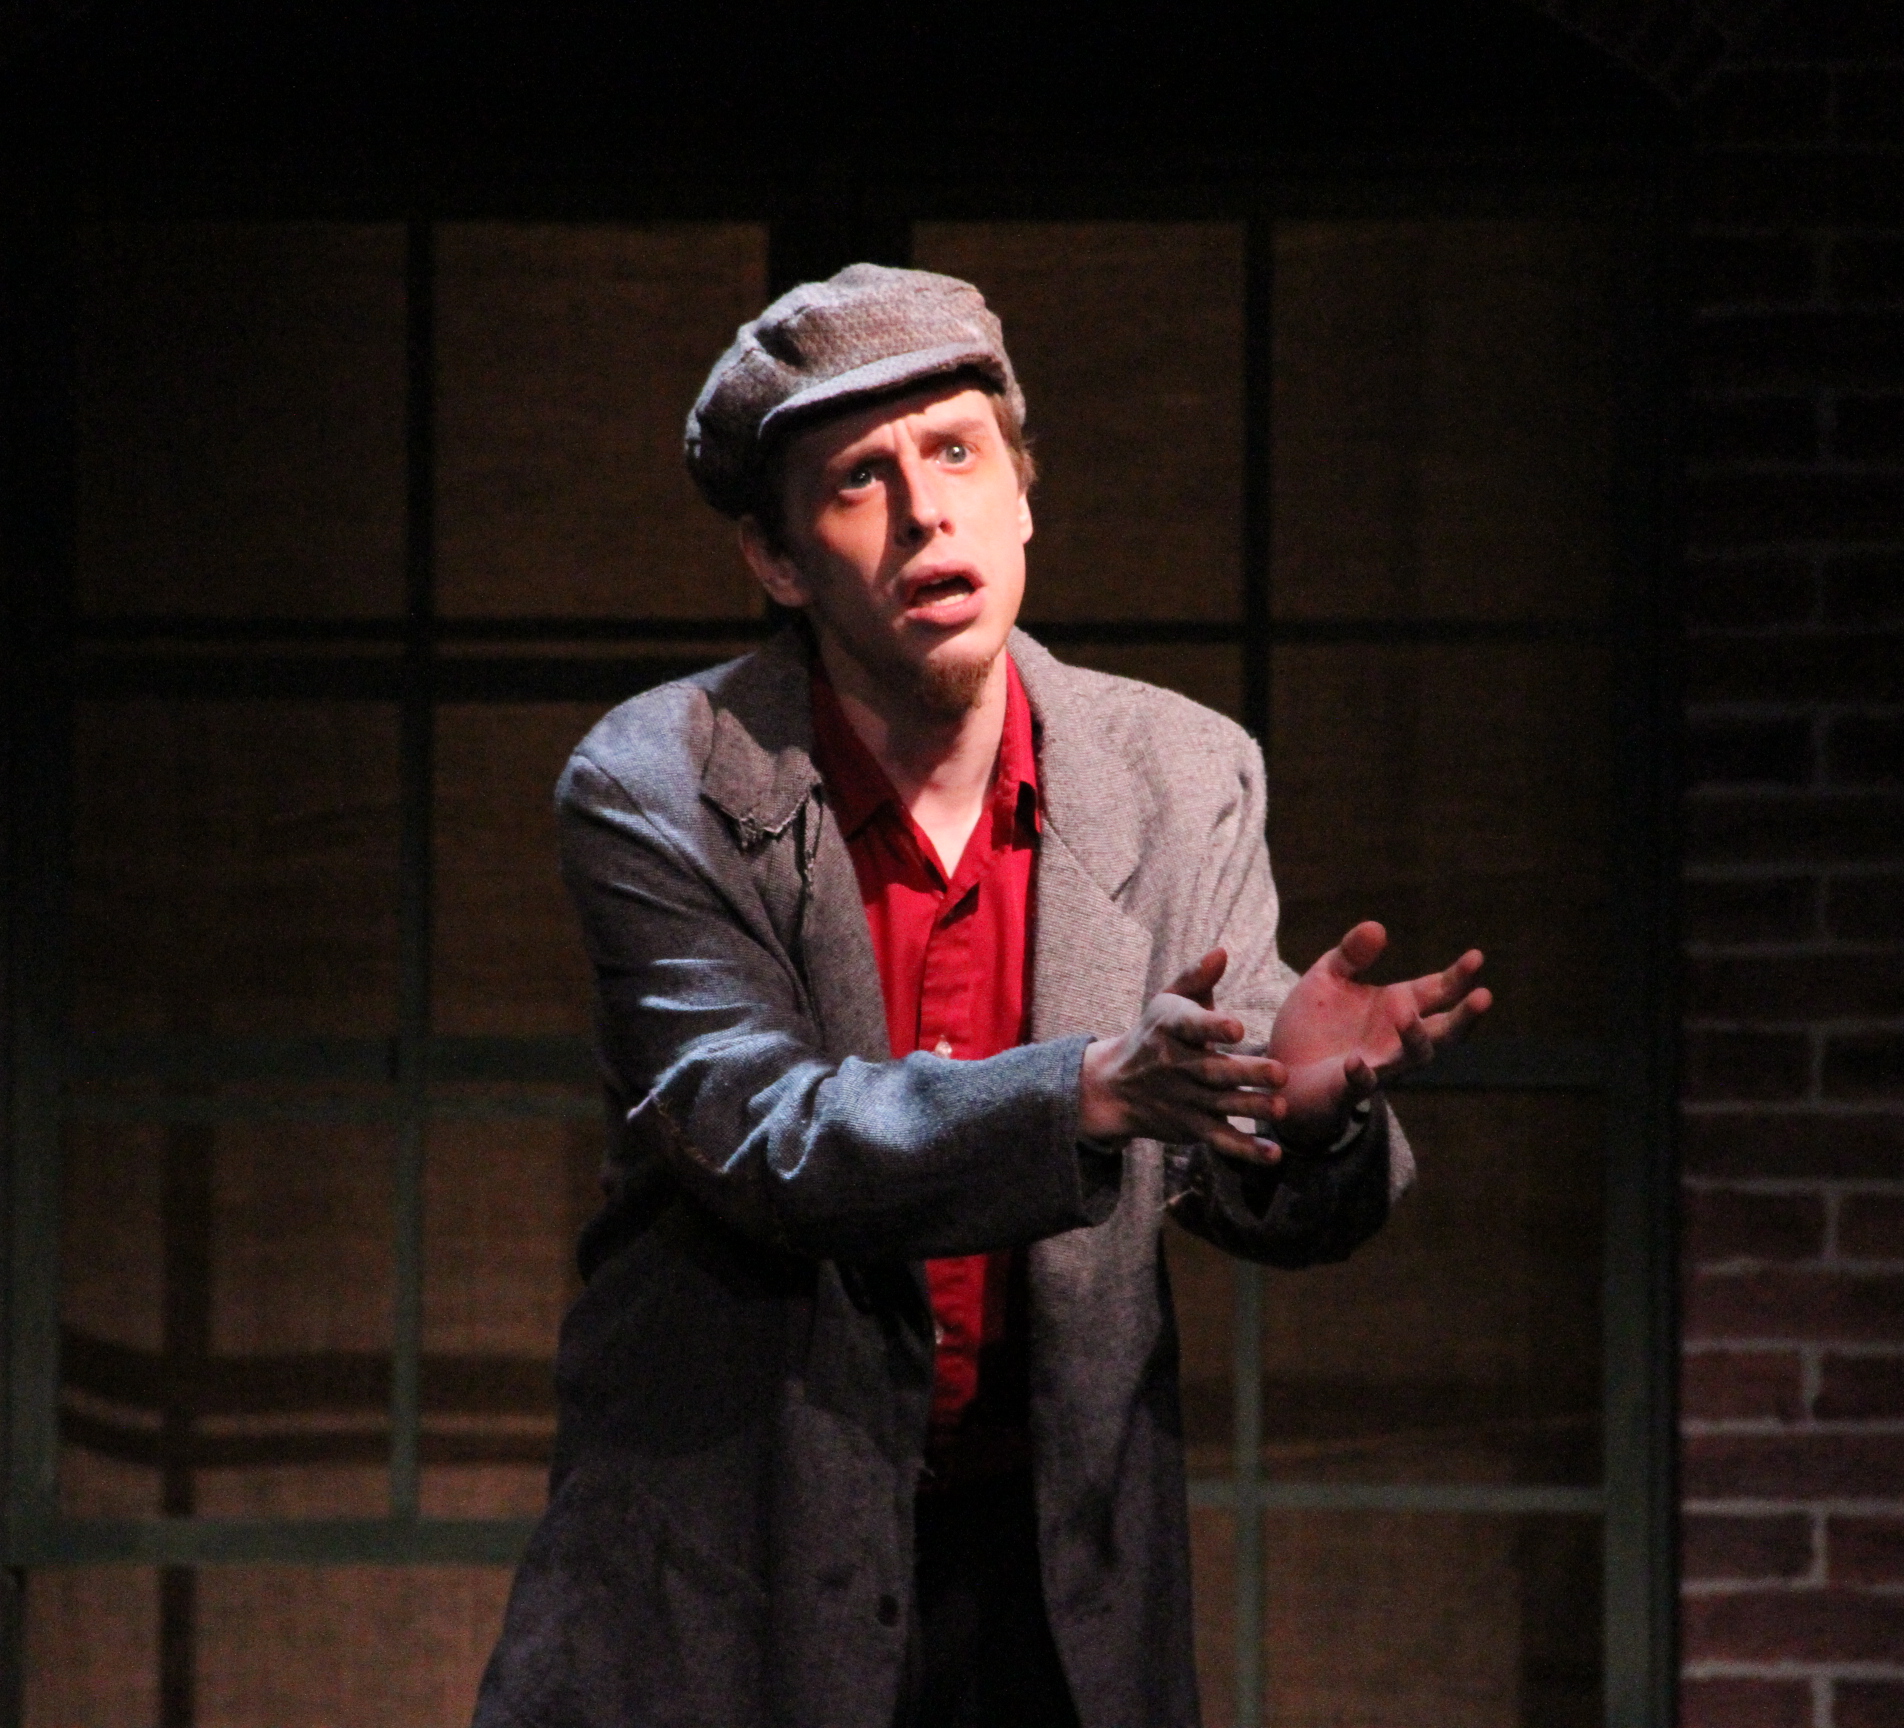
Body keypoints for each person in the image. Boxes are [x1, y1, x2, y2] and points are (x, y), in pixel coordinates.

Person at [471, 264, 1491, 1728]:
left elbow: (1245, 1171)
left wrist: (1301, 1109)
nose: (924, 513)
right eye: (860, 481)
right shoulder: (660, 779)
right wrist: (1084, 1094)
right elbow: (761, 1132)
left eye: (956, 454)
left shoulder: (1179, 772)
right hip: (731, 1573)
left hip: (1051, 1584)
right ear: (776, 559)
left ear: (1022, 501)